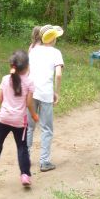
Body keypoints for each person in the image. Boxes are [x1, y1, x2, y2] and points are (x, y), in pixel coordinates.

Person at [0, 50, 39, 186]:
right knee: (22, 147)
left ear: (12, 66)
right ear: (27, 67)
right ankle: (25, 175)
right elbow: (29, 103)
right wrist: (34, 115)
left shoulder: (5, 79)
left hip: (3, 118)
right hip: (19, 121)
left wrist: (7, 106)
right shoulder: (29, 82)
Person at [27, 24, 64, 172]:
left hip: (31, 92)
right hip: (46, 94)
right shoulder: (56, 52)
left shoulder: (33, 51)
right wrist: (57, 92)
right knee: (46, 128)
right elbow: (58, 75)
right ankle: (44, 162)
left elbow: (27, 72)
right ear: (53, 38)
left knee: (29, 127)